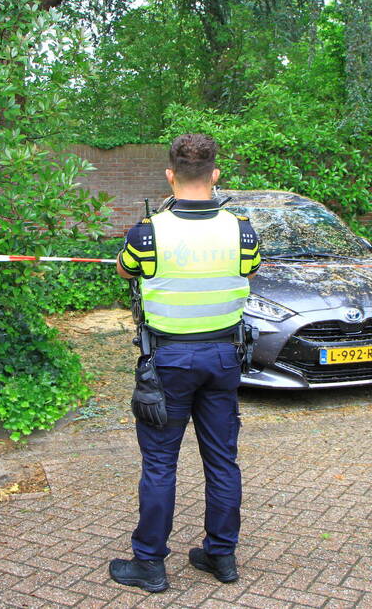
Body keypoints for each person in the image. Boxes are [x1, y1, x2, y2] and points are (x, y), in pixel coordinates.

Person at [108, 133, 261, 593]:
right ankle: (222, 555)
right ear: (215, 175)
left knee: (159, 463)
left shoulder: (148, 232)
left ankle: (150, 564)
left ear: (170, 176)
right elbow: (250, 271)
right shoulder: (243, 230)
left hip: (169, 362)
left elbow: (124, 269)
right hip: (223, 357)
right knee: (222, 460)